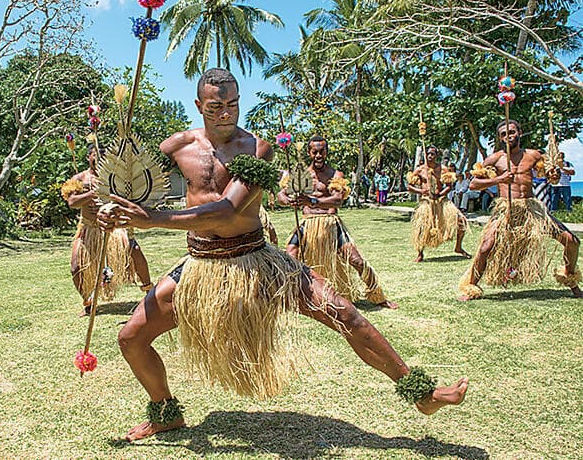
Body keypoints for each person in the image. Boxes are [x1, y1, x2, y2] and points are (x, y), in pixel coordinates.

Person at [97, 68, 467, 442]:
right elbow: (135, 187)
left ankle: (423, 394)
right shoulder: (177, 146)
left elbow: (228, 209)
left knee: (346, 314)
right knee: (131, 338)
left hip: (257, 261)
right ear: (198, 105)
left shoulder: (256, 148)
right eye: (215, 106)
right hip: (201, 265)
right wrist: (113, 205)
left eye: (233, 104)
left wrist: (153, 220)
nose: (226, 113)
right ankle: (165, 412)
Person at [459, 120, 581, 300]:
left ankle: (572, 283)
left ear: (520, 133)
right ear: (500, 138)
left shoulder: (533, 155)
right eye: (503, 134)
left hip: (531, 209)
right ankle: (471, 287)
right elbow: (474, 184)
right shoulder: (495, 158)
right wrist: (499, 179)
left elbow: (550, 176)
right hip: (506, 209)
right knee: (486, 247)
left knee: (572, 241)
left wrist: (553, 173)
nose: (508, 137)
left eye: (511, 132)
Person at [277, 135, 397, 309]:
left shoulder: (335, 174)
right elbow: (282, 194)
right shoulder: (301, 174)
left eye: (322, 152)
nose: (318, 155)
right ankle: (289, 298)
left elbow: (338, 199)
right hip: (307, 223)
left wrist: (312, 201)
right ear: (309, 153)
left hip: (330, 224)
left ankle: (378, 296)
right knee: (290, 257)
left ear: (326, 152)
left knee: (356, 261)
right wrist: (289, 201)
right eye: (315, 152)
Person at [62, 144, 153, 316]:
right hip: (89, 228)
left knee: (134, 250)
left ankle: (150, 293)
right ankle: (87, 302)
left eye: (104, 155)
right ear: (89, 156)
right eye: (96, 155)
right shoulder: (80, 178)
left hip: (113, 227)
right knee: (76, 267)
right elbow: (72, 202)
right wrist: (93, 193)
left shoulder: (114, 177)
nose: (99, 158)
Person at [407, 146, 470, 262]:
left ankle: (458, 247)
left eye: (433, 154)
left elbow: (449, 186)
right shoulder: (420, 169)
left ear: (437, 156)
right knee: (422, 225)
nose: (430, 156)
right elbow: (409, 186)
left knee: (461, 221)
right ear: (425, 155)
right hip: (426, 201)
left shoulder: (443, 169)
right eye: (428, 154)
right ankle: (420, 253)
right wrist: (421, 191)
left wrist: (440, 194)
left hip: (442, 200)